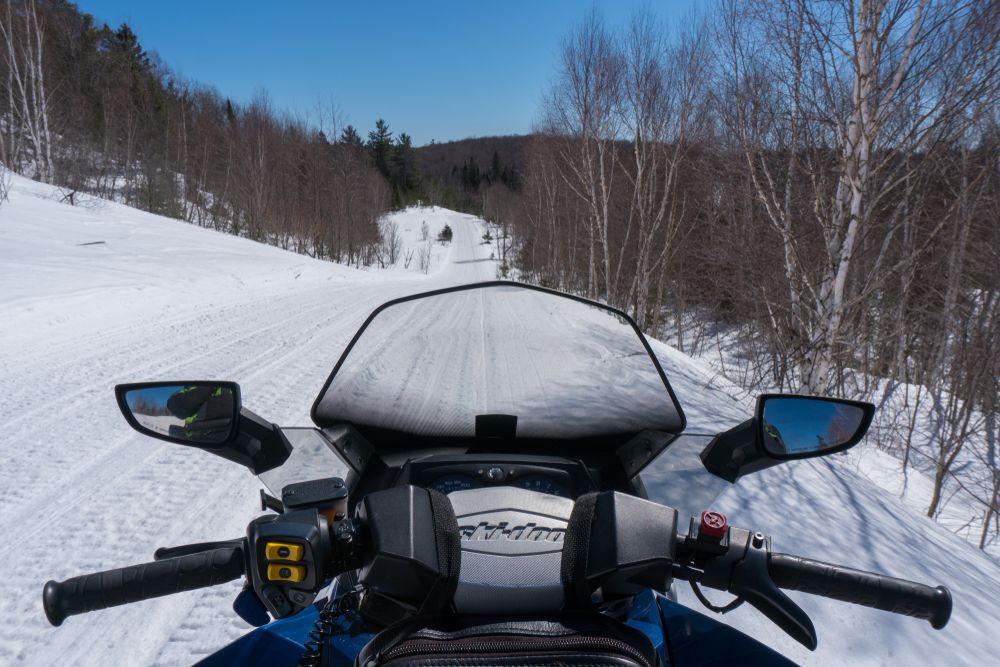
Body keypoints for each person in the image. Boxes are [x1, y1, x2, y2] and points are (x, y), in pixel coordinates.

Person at [166, 385, 234, 443]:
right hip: (202, 436)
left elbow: (174, 404)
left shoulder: (211, 387)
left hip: (202, 436)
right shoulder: (227, 391)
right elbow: (175, 406)